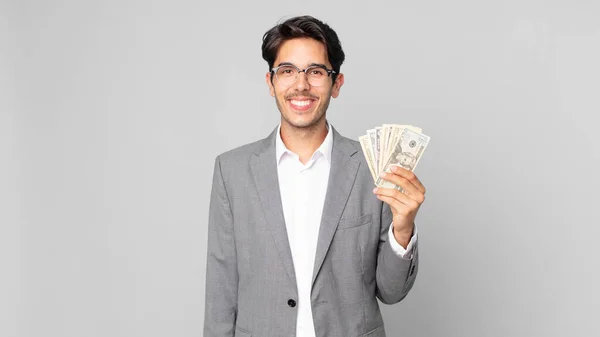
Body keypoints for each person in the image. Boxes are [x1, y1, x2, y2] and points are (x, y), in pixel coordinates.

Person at [204, 15, 427, 337]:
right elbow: (221, 286)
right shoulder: (232, 170)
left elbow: (391, 292)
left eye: (316, 72)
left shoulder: (374, 168)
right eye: (287, 71)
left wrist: (403, 229)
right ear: (271, 83)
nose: (301, 85)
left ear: (336, 84)